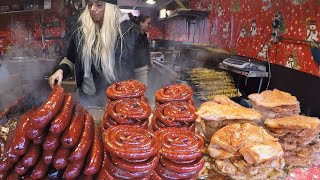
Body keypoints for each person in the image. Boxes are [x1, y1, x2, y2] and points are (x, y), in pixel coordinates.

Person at [49, 0, 149, 106]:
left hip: (121, 101)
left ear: (111, 7)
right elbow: (70, 59)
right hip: (87, 98)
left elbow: (140, 71)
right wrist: (61, 71)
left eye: (99, 5)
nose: (92, 9)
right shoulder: (81, 31)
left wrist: (141, 99)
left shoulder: (131, 33)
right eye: (90, 4)